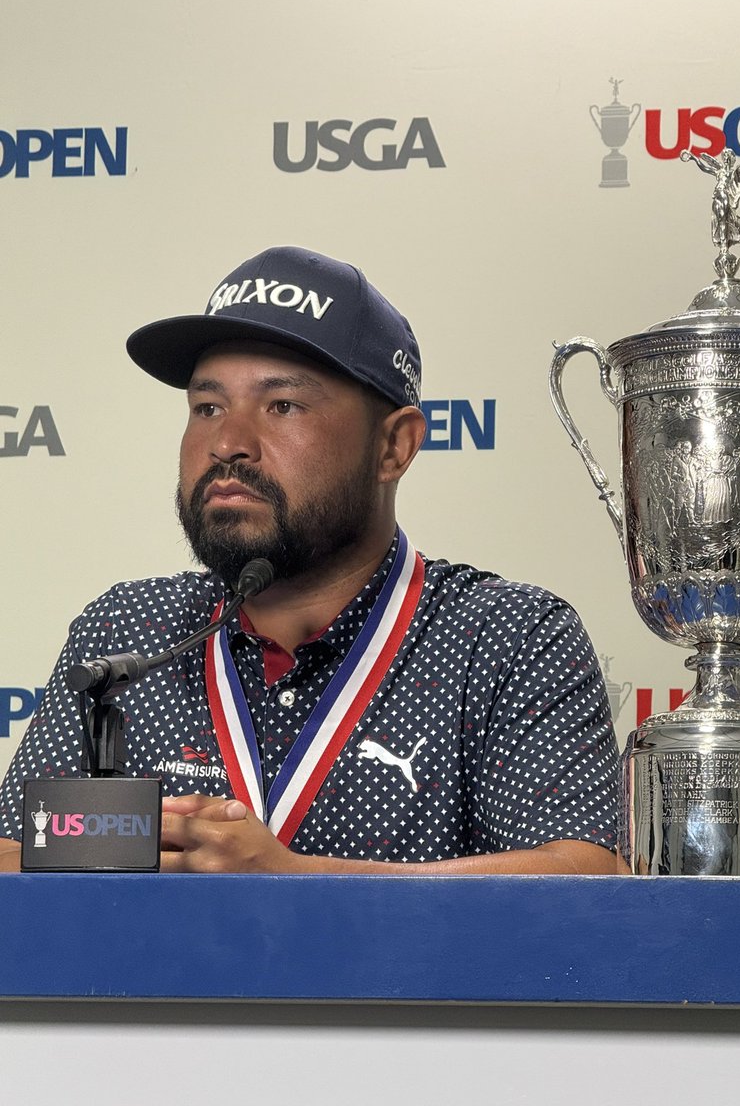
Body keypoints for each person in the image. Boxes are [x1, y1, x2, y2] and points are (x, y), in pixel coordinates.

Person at [0, 246, 619, 874]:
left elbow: (585, 874)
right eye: (207, 407)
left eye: (282, 406)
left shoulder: (509, 636)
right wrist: (110, 857)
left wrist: (292, 880)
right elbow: (7, 853)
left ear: (394, 446)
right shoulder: (131, 630)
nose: (227, 444)